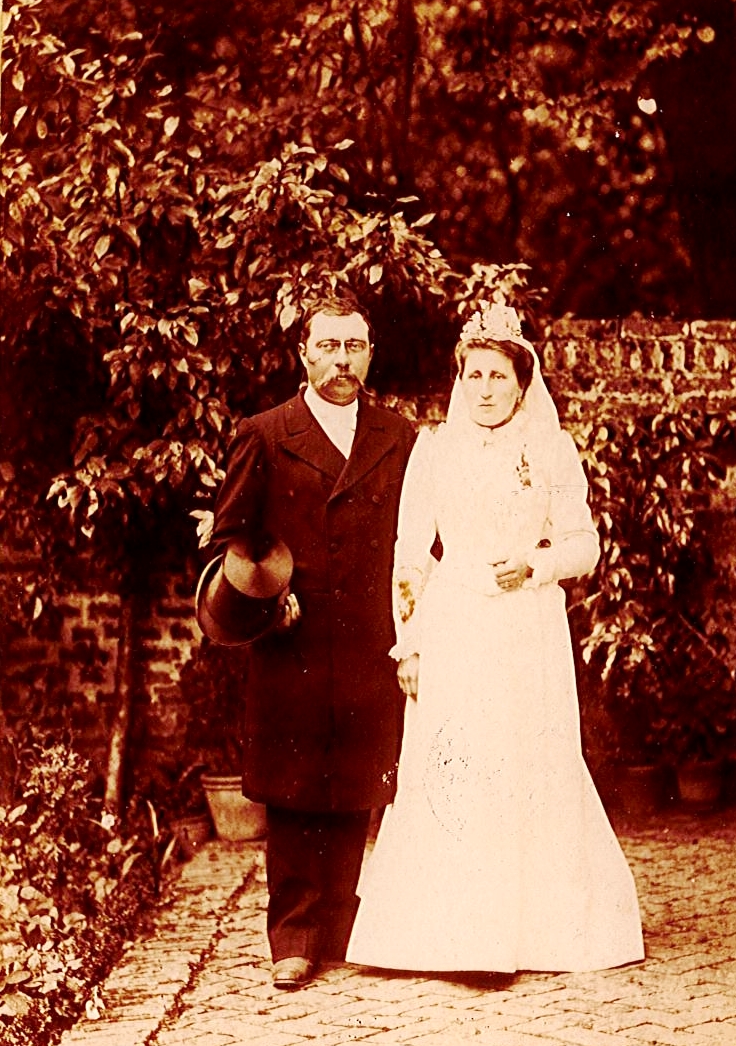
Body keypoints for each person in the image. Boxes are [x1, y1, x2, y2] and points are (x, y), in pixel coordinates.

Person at [347, 301, 644, 975]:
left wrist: (536, 564)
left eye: (497, 376)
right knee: (452, 766)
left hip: (524, 626)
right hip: (453, 623)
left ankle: (525, 933)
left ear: (521, 380)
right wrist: (410, 643)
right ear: (459, 378)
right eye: (473, 374)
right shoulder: (434, 448)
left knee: (524, 760)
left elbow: (583, 544)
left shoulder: (549, 448)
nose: (484, 388)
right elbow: (409, 554)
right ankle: (454, 934)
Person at [204, 296, 416, 990]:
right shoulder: (265, 433)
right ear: (302, 355)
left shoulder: (399, 435)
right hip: (291, 639)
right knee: (294, 788)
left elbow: (422, 534)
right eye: (327, 346)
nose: (341, 360)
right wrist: (266, 594)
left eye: (353, 346)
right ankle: (291, 935)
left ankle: (344, 921)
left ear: (369, 352)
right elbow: (231, 532)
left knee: (357, 781)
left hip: (366, 639)